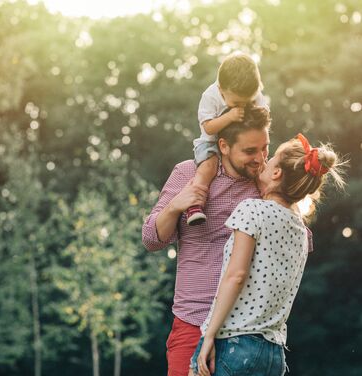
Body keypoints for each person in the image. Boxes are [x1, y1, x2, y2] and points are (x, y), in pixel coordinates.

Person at [190, 134, 346, 376]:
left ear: (276, 174)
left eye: (271, 159)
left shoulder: (253, 209)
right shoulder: (300, 231)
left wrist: (209, 333)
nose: (264, 160)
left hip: (233, 344)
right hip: (273, 355)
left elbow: (236, 275)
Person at [142, 106, 272, 376]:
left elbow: (299, 243)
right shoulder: (188, 173)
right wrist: (176, 206)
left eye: (265, 149)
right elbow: (151, 240)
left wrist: (272, 192)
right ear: (223, 146)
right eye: (250, 151)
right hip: (193, 323)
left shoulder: (266, 184)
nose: (260, 159)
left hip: (248, 334)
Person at [186, 52, 268, 225]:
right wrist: (230, 117)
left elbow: (263, 116)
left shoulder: (254, 94)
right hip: (210, 141)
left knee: (262, 169)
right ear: (222, 89)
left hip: (240, 142)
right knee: (207, 168)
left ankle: (270, 200)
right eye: (237, 102)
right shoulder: (210, 96)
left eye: (248, 102)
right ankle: (194, 205)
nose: (243, 106)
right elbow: (208, 128)